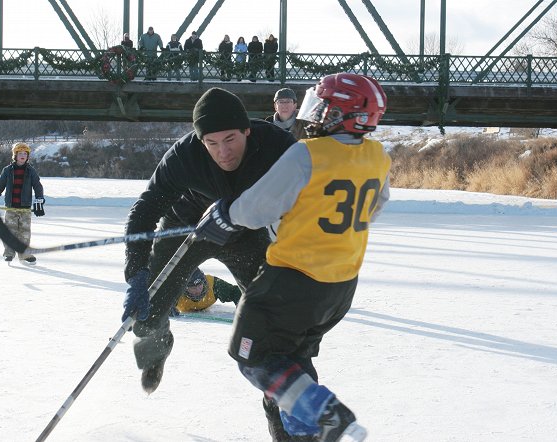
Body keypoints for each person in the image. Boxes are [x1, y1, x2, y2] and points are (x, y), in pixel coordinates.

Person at [192, 73, 391, 442]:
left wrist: (223, 215)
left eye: (321, 106)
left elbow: (255, 208)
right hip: (340, 289)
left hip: (290, 282)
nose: (313, 114)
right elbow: (375, 207)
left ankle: (323, 413)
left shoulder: (308, 153)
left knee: (251, 355)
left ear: (337, 113)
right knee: (291, 361)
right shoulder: (377, 157)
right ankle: (301, 436)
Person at [120, 88, 296, 411]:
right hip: (187, 229)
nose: (222, 152)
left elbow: (314, 195)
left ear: (247, 129)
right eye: (211, 143)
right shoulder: (184, 156)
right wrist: (137, 274)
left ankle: (280, 410)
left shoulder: (277, 147)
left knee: (274, 323)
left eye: (230, 139)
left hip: (245, 232)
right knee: (145, 317)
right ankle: (157, 350)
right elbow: (144, 211)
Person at [0, 142, 45, 264]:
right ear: (15, 155)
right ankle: (9, 253)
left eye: (25, 154)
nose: (23, 155)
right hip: (11, 208)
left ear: (27, 156)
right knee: (10, 231)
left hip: (25, 208)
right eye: (20, 153)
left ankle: (24, 255)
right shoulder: (7, 170)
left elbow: (38, 186)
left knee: (25, 232)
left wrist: (39, 200)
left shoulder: (31, 171)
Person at [173, 267, 241, 314]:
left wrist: (240, 304)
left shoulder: (213, 284)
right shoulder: (176, 290)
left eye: (200, 286)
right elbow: (162, 298)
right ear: (185, 288)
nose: (198, 291)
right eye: (193, 288)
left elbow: (235, 291)